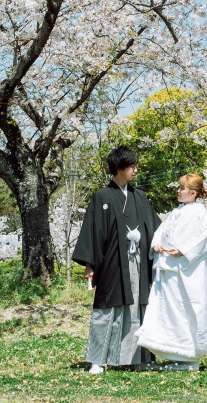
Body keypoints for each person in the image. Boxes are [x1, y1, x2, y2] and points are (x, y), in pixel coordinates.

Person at [72, 145, 160, 374]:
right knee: (107, 309)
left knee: (138, 307)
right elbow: (92, 231)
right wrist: (89, 264)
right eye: (131, 166)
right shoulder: (102, 196)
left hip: (138, 262)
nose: (135, 170)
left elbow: (156, 228)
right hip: (111, 263)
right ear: (119, 168)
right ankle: (97, 360)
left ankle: (138, 358)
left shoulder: (139, 196)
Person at [136, 174, 207, 371]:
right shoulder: (176, 212)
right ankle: (173, 352)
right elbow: (161, 231)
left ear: (192, 193)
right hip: (168, 269)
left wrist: (183, 250)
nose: (178, 191)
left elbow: (205, 238)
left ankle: (190, 354)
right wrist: (157, 245)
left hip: (187, 271)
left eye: (182, 189)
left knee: (187, 310)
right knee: (168, 310)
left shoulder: (200, 213)